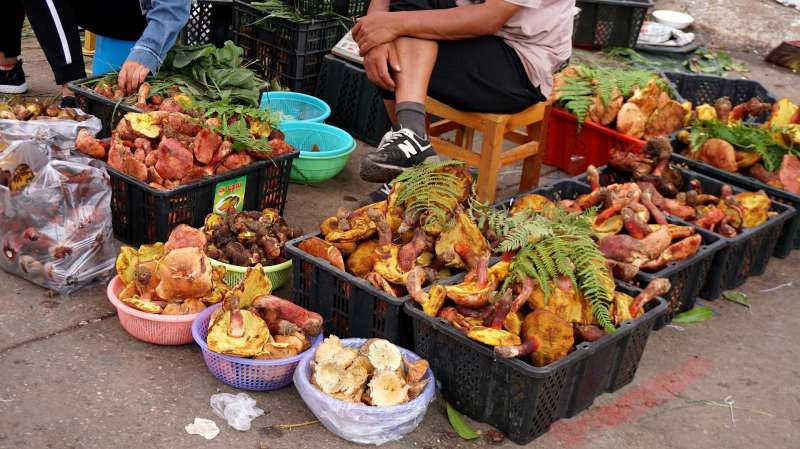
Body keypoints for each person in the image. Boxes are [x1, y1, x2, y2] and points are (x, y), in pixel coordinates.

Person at [352, 0, 574, 201]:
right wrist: (375, 32)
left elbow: (490, 18)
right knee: (396, 17)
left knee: (400, 36)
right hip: (471, 25)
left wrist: (390, 27)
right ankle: (411, 139)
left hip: (520, 61)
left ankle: (412, 152)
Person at [0, 0, 191, 104]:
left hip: (138, 17)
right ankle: (9, 69)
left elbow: (174, 7)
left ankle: (73, 91)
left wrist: (147, 51)